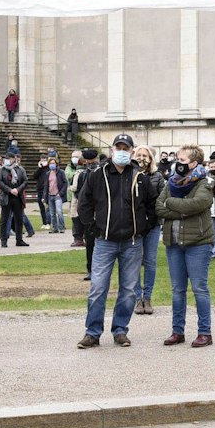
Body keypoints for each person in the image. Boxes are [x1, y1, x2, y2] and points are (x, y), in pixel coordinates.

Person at [78, 134, 149, 348]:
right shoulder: (97, 175)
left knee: (128, 290)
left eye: (126, 148)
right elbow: (84, 203)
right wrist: (93, 228)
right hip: (105, 241)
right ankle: (92, 332)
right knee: (98, 287)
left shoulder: (139, 176)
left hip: (132, 242)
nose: (122, 152)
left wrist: (143, 227)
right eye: (118, 148)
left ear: (131, 151)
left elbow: (152, 205)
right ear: (112, 150)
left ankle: (120, 330)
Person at [157, 145, 215, 348]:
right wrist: (181, 210)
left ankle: (205, 332)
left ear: (194, 163)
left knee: (199, 288)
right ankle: (177, 331)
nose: (178, 163)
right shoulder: (171, 182)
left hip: (198, 243)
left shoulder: (205, 182)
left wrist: (170, 202)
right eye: (178, 159)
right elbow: (159, 207)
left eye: (182, 160)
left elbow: (198, 204)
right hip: (174, 242)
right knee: (177, 290)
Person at [128, 147, 165, 315]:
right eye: (139, 155)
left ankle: (147, 297)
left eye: (145, 156)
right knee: (134, 261)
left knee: (150, 261)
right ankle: (137, 297)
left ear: (150, 159)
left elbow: (162, 198)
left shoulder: (157, 177)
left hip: (153, 224)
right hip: (134, 225)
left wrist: (153, 217)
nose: (142, 158)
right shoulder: (130, 174)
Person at [0, 153, 32, 248]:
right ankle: (3, 239)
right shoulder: (1, 170)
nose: (7, 160)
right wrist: (9, 190)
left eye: (9, 158)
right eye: (6, 158)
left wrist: (18, 189)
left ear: (13, 159)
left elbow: (25, 181)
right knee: (4, 219)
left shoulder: (20, 169)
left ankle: (19, 239)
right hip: (6, 197)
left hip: (17, 197)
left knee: (19, 219)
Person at [39, 153, 68, 234]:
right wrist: (44, 196)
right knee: (52, 213)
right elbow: (46, 185)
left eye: (53, 163)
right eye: (50, 163)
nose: (52, 165)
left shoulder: (61, 172)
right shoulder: (48, 173)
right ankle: (54, 228)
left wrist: (61, 193)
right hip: (50, 195)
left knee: (59, 211)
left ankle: (61, 227)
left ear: (56, 164)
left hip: (58, 195)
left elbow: (65, 183)